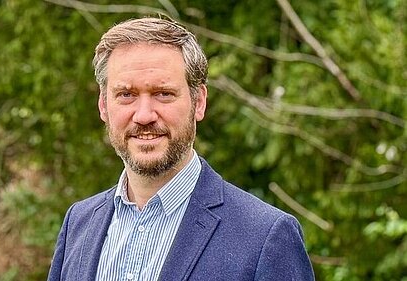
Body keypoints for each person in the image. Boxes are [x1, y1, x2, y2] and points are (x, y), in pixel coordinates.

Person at [47, 17, 315, 281]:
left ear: (199, 102)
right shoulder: (78, 224)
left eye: (163, 93)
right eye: (126, 94)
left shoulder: (265, 235)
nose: (144, 115)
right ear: (104, 106)